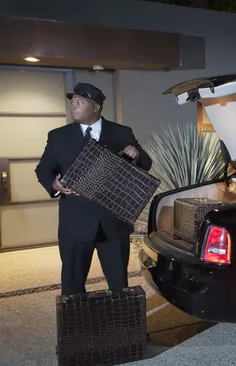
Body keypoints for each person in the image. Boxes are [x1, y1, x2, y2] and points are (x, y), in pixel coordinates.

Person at [35, 82, 152, 296]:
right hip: (75, 223)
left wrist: (136, 154)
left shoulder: (121, 132)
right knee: (72, 286)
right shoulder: (58, 136)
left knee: (119, 285)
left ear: (96, 107)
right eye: (72, 103)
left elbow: (146, 163)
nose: (74, 107)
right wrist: (54, 184)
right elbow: (43, 169)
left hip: (113, 224)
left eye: (80, 102)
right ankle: (75, 328)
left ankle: (122, 327)